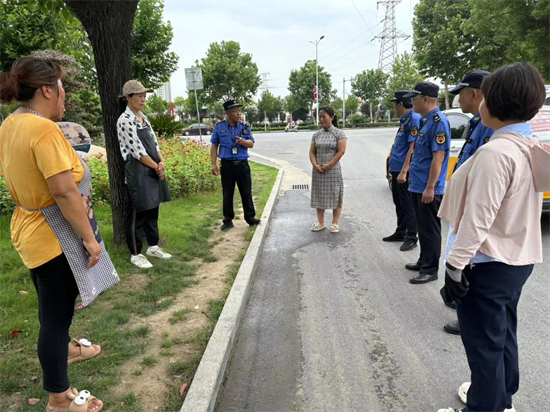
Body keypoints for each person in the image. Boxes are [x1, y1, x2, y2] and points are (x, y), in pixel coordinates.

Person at [437, 63, 547, 412]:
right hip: (515, 260)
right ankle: (501, 399)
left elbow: (478, 218)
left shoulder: (496, 153)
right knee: (502, 335)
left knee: (484, 345)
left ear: (493, 102)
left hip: (486, 263)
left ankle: (485, 405)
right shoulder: (527, 144)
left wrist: (454, 266)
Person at [0, 57, 106, 411]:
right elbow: (63, 191)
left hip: (29, 230)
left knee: (52, 312)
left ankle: (67, 352)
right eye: (61, 87)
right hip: (53, 237)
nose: (64, 95)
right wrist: (90, 239)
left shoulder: (11, 124)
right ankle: (59, 398)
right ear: (47, 90)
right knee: (55, 320)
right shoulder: (44, 130)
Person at [442, 70, 493, 335]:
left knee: (464, 263)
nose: (457, 99)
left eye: (460, 93)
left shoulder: (490, 123)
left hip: (474, 210)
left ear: (474, 94)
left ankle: (468, 318)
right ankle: (461, 305)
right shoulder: (477, 122)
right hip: (463, 207)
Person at [117, 80, 172, 269]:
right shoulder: (124, 120)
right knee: (138, 213)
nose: (143, 99)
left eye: (144, 96)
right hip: (138, 172)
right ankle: (136, 253)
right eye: (139, 96)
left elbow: (154, 144)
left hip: (153, 167)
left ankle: (153, 246)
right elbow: (137, 150)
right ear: (128, 98)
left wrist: (161, 161)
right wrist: (157, 167)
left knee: (153, 209)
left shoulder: (144, 118)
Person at [403, 82, 451, 284]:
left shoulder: (439, 122)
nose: (411, 102)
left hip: (427, 187)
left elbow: (438, 159)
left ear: (425, 99)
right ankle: (424, 260)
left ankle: (430, 269)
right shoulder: (425, 121)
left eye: (414, 98)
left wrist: (430, 187)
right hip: (418, 184)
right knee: (422, 227)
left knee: (430, 229)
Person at [210, 99, 261, 231]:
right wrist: (213, 164)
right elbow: (214, 145)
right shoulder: (219, 127)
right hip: (227, 165)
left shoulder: (245, 126)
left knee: (246, 192)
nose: (239, 114)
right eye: (235, 111)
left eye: (239, 111)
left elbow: (252, 144)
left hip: (242, 164)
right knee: (227, 193)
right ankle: (228, 220)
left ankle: (250, 218)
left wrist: (243, 142)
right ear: (228, 113)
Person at [383, 91, 421, 251]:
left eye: (395, 104)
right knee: (399, 202)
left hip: (404, 171)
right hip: (396, 168)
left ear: (400, 104)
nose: (394, 107)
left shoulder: (414, 119)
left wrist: (405, 170)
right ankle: (401, 231)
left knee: (407, 204)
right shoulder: (405, 120)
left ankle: (411, 236)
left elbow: (412, 147)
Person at [309, 106, 347, 233]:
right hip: (318, 170)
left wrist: (328, 165)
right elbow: (312, 152)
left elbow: (341, 152)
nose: (321, 119)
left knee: (336, 195)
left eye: (323, 117)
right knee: (319, 196)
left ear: (331, 117)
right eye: (319, 117)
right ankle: (321, 222)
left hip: (333, 171)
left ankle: (335, 223)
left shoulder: (339, 133)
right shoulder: (316, 135)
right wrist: (315, 165)